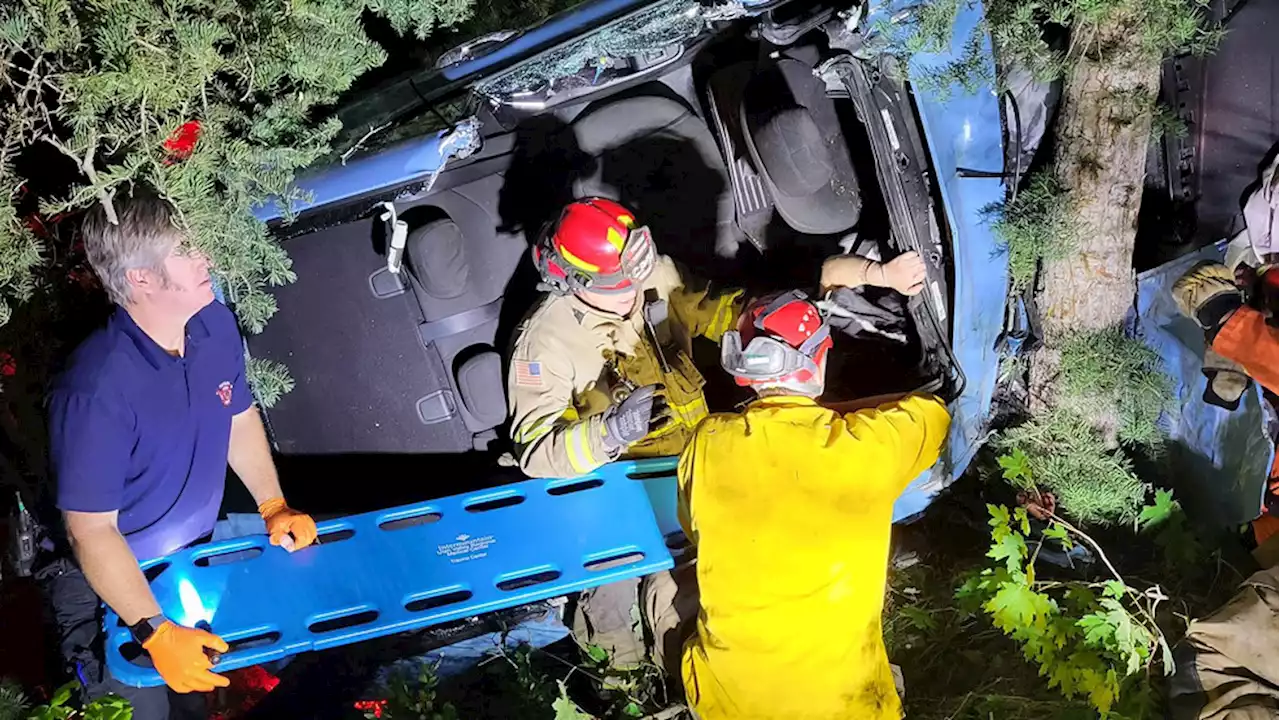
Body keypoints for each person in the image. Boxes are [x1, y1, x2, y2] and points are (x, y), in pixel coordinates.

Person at [507, 197, 927, 666]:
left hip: (705, 457)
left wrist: (778, 319)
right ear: (574, 280)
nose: (632, 289)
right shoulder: (546, 342)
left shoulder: (654, 276)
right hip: (631, 493)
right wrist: (610, 432)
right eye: (616, 283)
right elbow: (536, 451)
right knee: (639, 618)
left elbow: (721, 311)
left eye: (635, 274)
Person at [38, 187, 318, 719]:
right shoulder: (96, 386)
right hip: (112, 596)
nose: (206, 258)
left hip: (189, 564)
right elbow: (91, 531)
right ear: (140, 278)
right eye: (187, 250)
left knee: (198, 705)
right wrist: (154, 631)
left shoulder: (213, 326)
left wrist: (271, 505)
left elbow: (236, 414)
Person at [661, 290, 950, 720]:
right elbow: (934, 413)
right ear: (819, 359)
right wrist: (847, 413)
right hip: (846, 710)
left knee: (672, 600)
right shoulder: (865, 446)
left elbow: (692, 527)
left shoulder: (708, 442)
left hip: (727, 704)